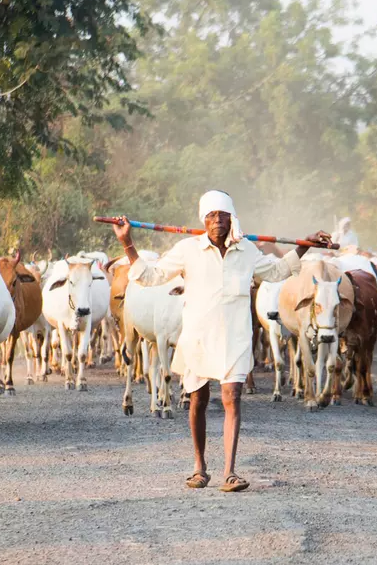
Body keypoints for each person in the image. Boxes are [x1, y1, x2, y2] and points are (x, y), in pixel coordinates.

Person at [112, 191, 330, 492]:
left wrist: (304, 246)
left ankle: (230, 472)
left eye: (222, 216)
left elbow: (278, 271)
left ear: (232, 219)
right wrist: (127, 242)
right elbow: (151, 276)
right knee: (198, 400)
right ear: (204, 220)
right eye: (212, 216)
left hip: (235, 336)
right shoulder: (187, 249)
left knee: (232, 396)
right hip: (198, 336)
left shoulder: (246, 250)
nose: (217, 221)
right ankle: (199, 467)